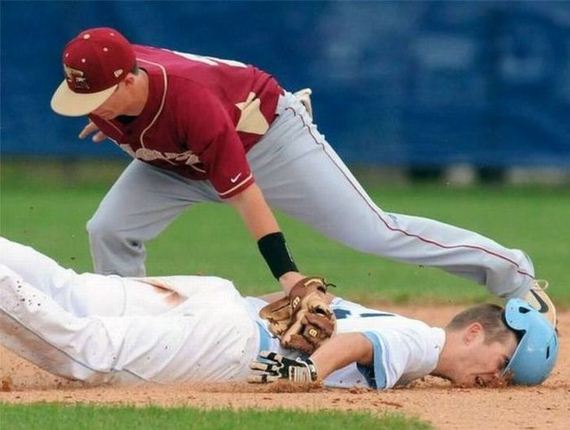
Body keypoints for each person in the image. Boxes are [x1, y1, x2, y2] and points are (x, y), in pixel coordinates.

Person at [50, 27, 555, 326]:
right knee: (109, 228)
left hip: (268, 140)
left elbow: (246, 197)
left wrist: (287, 275)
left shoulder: (190, 99)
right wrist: (121, 121)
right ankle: (127, 328)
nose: (89, 106)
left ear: (129, 79)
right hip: (180, 160)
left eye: (98, 97)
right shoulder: (106, 88)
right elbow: (119, 106)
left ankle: (513, 275)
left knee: (374, 231)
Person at [0, 237, 558, 388]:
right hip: (234, 343)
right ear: (475, 332)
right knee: (88, 351)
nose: (496, 380)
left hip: (220, 302)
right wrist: (308, 372)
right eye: (503, 363)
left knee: (69, 289)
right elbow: (359, 344)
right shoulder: (423, 345)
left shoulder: (407, 334)